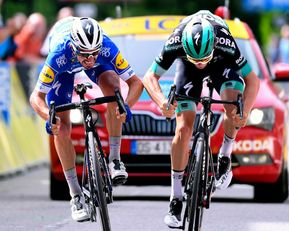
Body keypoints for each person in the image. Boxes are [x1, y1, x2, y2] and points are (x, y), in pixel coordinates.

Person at [143, 10, 260, 229]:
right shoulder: (176, 42)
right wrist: (161, 102)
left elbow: (253, 80)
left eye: (203, 59)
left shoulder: (225, 41)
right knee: (183, 129)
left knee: (232, 104)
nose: (200, 64)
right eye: (195, 59)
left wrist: (245, 112)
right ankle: (175, 198)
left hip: (222, 63)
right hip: (186, 70)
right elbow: (150, 77)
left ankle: (225, 154)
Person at [29, 17, 143, 222]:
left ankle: (115, 160)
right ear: (74, 47)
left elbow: (135, 83)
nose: (89, 59)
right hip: (63, 71)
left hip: (97, 59)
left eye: (94, 53)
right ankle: (75, 195)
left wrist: (126, 105)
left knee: (114, 90)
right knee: (61, 128)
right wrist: (49, 116)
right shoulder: (59, 53)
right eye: (84, 54)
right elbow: (35, 97)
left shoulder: (106, 46)